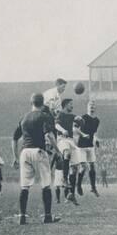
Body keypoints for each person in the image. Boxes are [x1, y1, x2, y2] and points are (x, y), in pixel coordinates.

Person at [12, 93, 61, 225]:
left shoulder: (24, 118)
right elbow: (49, 135)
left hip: (24, 152)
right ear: (42, 102)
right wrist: (58, 151)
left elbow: (15, 138)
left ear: (31, 102)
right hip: (39, 151)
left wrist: (15, 157)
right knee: (46, 184)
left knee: (24, 186)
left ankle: (22, 216)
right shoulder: (44, 116)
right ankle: (47, 216)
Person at [55, 98, 88, 205]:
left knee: (74, 169)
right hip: (62, 139)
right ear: (65, 105)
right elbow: (56, 125)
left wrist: (81, 120)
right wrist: (62, 130)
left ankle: (71, 194)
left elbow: (80, 121)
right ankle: (64, 179)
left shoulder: (72, 116)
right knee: (67, 153)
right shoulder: (60, 114)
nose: (72, 106)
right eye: (70, 104)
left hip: (71, 140)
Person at [76, 100, 101, 197]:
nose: (92, 107)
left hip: (90, 145)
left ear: (95, 108)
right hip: (82, 145)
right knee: (83, 167)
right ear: (87, 107)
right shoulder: (83, 118)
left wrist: (96, 139)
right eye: (90, 105)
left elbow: (94, 133)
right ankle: (78, 185)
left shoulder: (96, 120)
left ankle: (93, 187)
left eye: (93, 105)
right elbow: (76, 129)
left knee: (92, 167)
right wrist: (83, 134)